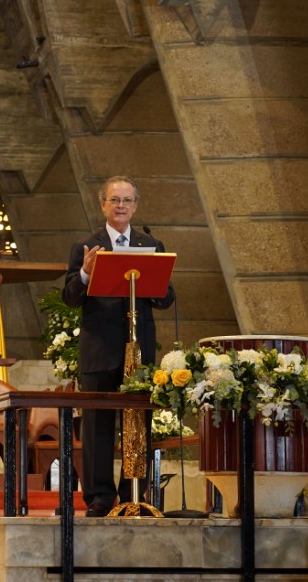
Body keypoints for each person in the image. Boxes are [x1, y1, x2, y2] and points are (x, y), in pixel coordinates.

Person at [62, 175, 175, 517]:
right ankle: (99, 498)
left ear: (135, 206)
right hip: (99, 349)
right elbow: (69, 297)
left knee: (137, 423)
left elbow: (166, 297)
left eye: (127, 200)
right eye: (115, 200)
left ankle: (133, 494)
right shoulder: (87, 245)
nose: (121, 206)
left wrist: (155, 279)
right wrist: (84, 272)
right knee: (97, 425)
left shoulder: (151, 245)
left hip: (138, 351)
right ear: (103, 205)